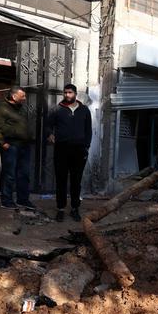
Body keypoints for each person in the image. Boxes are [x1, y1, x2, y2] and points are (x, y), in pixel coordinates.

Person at [47, 84, 91, 222]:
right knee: (61, 179)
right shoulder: (57, 109)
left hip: (79, 150)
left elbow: (88, 130)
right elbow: (48, 125)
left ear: (75, 94)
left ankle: (74, 208)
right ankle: (60, 209)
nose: (67, 95)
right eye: (65, 93)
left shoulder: (84, 110)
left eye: (70, 92)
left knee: (76, 180)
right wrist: (49, 134)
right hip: (61, 149)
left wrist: (86, 146)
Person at [0, 86, 35, 211]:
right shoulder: (1, 109)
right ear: (14, 96)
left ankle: (23, 199)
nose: (25, 99)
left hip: (24, 146)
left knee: (24, 174)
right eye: (23, 96)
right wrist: (2, 143)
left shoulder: (21, 108)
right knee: (9, 174)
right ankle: (7, 200)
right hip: (11, 146)